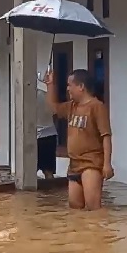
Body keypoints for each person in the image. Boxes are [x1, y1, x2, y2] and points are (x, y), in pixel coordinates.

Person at [44, 68, 113, 211]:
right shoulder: (71, 106)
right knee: (75, 207)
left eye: (70, 85)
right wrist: (50, 85)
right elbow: (53, 108)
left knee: (93, 207)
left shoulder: (97, 106)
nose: (68, 89)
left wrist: (107, 164)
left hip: (91, 163)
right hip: (74, 164)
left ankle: (100, 232)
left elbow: (106, 136)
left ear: (81, 87)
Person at [36, 75, 58, 180]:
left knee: (29, 173)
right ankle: (51, 195)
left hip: (35, 137)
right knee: (48, 172)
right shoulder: (45, 95)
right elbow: (54, 111)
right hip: (49, 135)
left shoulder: (24, 98)